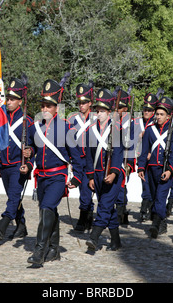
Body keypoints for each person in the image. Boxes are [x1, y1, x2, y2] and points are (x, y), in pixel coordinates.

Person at [25, 74, 83, 267]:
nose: (44, 109)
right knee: (49, 212)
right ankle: (54, 249)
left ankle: (39, 250)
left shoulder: (67, 127)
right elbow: (33, 148)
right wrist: (28, 152)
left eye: (48, 106)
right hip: (40, 176)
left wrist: (76, 179)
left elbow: (76, 155)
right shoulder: (35, 127)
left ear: (56, 107)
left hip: (58, 175)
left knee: (47, 208)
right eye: (42, 106)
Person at [0, 76, 34, 241]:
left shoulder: (27, 121)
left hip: (18, 166)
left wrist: (30, 159)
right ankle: (21, 227)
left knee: (14, 197)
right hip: (4, 165)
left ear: (20, 101)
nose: (9, 102)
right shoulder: (0, 118)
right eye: (8, 98)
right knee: (14, 198)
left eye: (13, 99)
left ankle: (3, 225)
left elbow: (35, 145)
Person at [84, 88, 125, 251]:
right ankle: (115, 241)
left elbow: (119, 152)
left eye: (102, 111)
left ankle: (94, 237)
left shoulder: (116, 129)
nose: (98, 114)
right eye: (97, 110)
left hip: (112, 175)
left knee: (103, 207)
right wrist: (91, 177)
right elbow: (88, 155)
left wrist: (114, 172)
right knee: (107, 207)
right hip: (98, 173)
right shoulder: (91, 130)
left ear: (109, 112)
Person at [137, 97, 173, 238]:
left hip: (165, 170)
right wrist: (141, 168)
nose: (158, 117)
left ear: (168, 116)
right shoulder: (150, 130)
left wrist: (170, 170)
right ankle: (161, 222)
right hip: (151, 170)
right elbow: (144, 152)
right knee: (154, 196)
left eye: (162, 114)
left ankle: (155, 225)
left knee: (161, 197)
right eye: (157, 114)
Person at [68, 81, 96, 232]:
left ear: (90, 103)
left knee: (87, 191)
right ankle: (86, 217)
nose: (81, 105)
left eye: (84, 102)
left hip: (93, 160)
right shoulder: (72, 118)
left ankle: (86, 217)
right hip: (78, 159)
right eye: (79, 102)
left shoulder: (97, 118)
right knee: (83, 190)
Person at [136, 93, 158, 221]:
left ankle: (151, 209)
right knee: (145, 183)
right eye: (145, 109)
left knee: (152, 186)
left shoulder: (155, 123)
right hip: (140, 157)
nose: (146, 112)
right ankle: (144, 209)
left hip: (153, 159)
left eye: (150, 110)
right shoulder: (136, 122)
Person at [116, 87, 136, 225]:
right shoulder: (111, 121)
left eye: (120, 107)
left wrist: (129, 163)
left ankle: (121, 212)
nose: (118, 110)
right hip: (111, 158)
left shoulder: (131, 123)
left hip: (124, 158)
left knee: (121, 187)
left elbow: (132, 144)